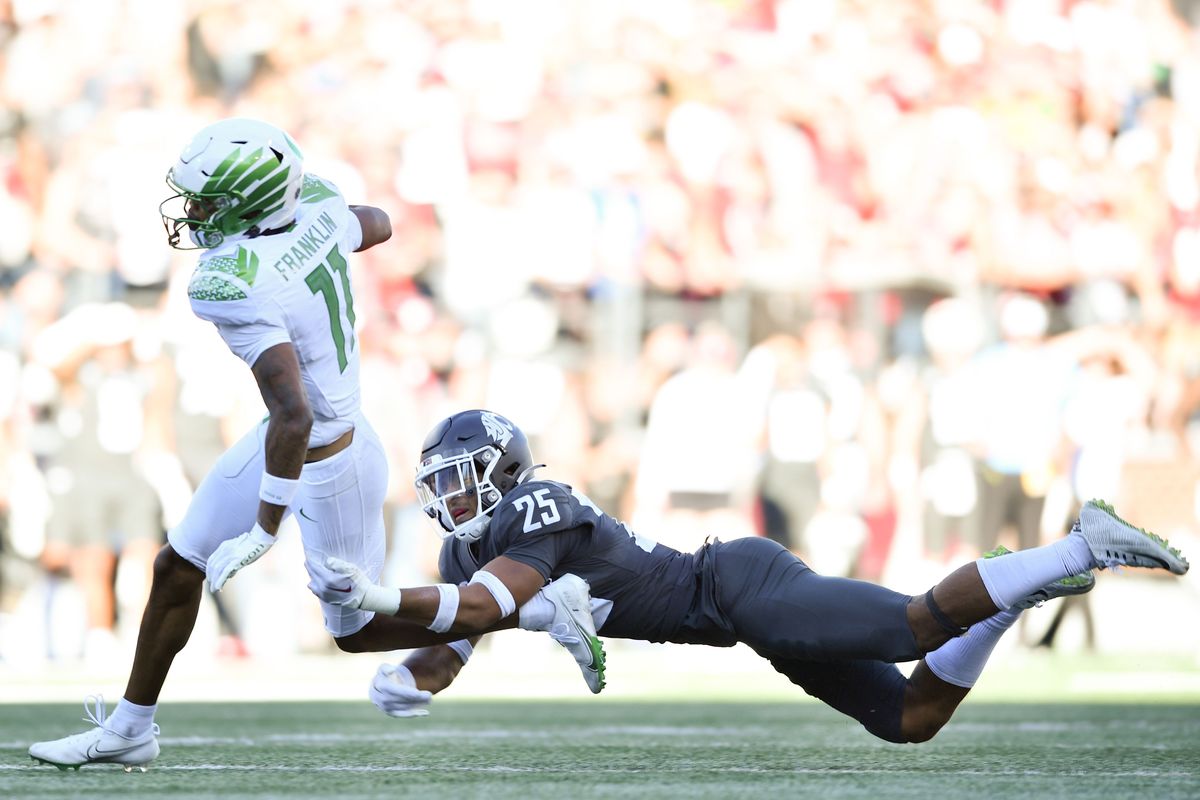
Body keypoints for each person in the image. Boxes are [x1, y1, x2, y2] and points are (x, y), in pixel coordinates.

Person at [29, 120, 601, 772]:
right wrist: (322, 233)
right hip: (294, 433)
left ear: (249, 201)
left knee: (356, 633)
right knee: (176, 565)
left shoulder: (228, 280)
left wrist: (265, 527)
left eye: (208, 201)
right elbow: (379, 222)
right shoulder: (318, 204)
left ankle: (536, 609)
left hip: (330, 454)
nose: (194, 213)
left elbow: (295, 416)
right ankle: (131, 727)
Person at [308, 409, 1189, 739]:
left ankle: (1081, 546)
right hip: (737, 619)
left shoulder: (537, 508)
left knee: (913, 624)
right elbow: (458, 634)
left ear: (499, 470)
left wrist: (378, 596)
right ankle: (1009, 592)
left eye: (455, 480)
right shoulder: (469, 549)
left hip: (739, 586)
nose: (444, 500)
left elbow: (487, 604)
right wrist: (408, 674)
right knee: (909, 719)